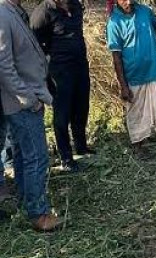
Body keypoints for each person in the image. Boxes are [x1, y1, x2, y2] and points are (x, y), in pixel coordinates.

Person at [0, 0, 62, 231]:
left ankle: (26, 201)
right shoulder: (2, 15)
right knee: (36, 157)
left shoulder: (14, 12)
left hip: (26, 97)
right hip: (21, 102)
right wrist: (27, 98)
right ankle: (39, 214)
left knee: (23, 154)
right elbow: (4, 66)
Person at [30, 0, 91, 173]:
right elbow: (34, 44)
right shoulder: (42, 12)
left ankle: (81, 147)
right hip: (59, 71)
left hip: (80, 65)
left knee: (81, 108)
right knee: (62, 114)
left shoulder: (75, 5)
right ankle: (66, 158)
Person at [107, 0, 156, 145]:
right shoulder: (114, 22)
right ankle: (138, 144)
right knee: (136, 114)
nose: (128, 2)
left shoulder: (145, 11)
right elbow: (116, 56)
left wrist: (149, 43)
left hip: (153, 69)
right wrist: (123, 86)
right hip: (133, 75)